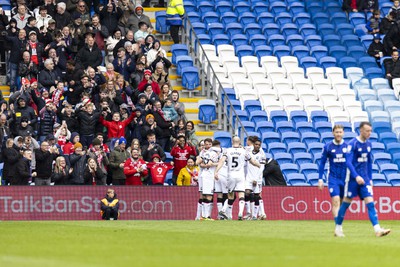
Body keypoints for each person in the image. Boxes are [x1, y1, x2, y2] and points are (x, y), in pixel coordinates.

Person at [334, 122, 391, 237]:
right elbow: (348, 162)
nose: (369, 133)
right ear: (361, 130)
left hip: (364, 180)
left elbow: (369, 162)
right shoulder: (353, 144)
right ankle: (338, 228)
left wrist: (370, 178)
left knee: (370, 204)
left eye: (370, 131)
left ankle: (377, 230)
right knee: (345, 204)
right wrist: (356, 176)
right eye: (367, 131)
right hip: (352, 180)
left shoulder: (369, 144)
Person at [215, 136, 260, 220]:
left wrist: (216, 171)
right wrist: (258, 165)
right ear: (239, 142)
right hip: (240, 175)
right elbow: (252, 161)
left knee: (230, 195)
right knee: (241, 194)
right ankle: (240, 213)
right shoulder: (244, 151)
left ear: (232, 142)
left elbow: (221, 161)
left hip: (231, 175)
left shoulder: (227, 151)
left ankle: (224, 210)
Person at [317, 125, 348, 226]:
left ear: (343, 133)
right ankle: (338, 226)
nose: (338, 134)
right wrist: (320, 179)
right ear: (333, 133)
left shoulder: (348, 147)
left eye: (340, 132)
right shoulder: (328, 147)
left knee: (342, 203)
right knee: (335, 201)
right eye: (337, 132)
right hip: (333, 178)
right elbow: (322, 163)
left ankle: (339, 222)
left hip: (345, 179)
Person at [196, 138, 218, 220]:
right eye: (206, 144)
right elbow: (208, 164)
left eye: (209, 144)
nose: (208, 146)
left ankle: (203, 216)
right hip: (208, 175)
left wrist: (203, 164)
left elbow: (199, 163)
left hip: (204, 175)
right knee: (208, 195)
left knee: (205, 195)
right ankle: (206, 216)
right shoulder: (213, 153)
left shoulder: (204, 153)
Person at [244, 138, 266, 220]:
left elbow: (262, 168)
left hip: (257, 178)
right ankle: (249, 213)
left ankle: (254, 216)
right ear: (253, 145)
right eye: (256, 144)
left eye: (259, 145)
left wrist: (256, 179)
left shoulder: (262, 155)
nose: (257, 146)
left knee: (257, 196)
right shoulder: (249, 153)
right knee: (247, 193)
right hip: (249, 177)